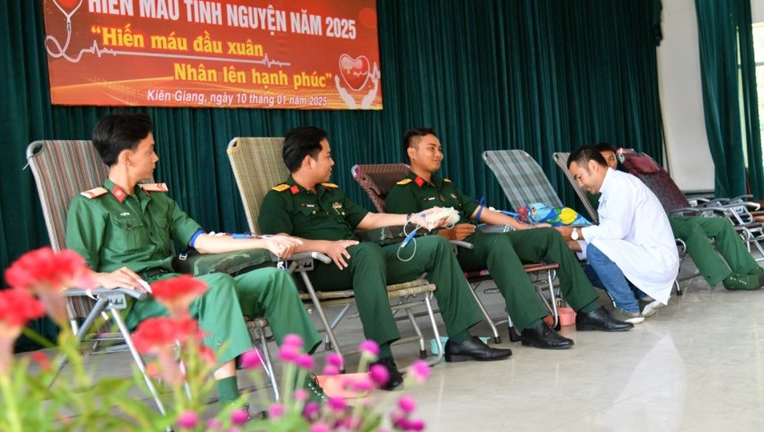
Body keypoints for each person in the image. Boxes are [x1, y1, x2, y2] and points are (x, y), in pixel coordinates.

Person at [66, 112, 324, 405]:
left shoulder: (158, 199)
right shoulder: (89, 206)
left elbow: (201, 241)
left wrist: (266, 242)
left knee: (274, 279)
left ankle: (305, 387)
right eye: (150, 150)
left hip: (178, 289)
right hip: (137, 300)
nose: (156, 158)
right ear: (127, 157)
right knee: (215, 285)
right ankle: (231, 406)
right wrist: (103, 278)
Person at [258, 126, 512, 391]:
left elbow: (369, 219)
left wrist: (414, 218)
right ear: (308, 160)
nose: (333, 161)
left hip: (363, 261)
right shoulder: (278, 199)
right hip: (320, 268)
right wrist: (324, 245)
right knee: (367, 252)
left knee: (435, 245)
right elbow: (279, 243)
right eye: (328, 155)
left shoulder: (331, 192)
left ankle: (460, 340)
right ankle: (380, 358)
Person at [385, 128, 633, 351]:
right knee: (499, 244)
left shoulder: (447, 186)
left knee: (548, 235)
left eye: (440, 149)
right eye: (431, 149)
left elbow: (481, 213)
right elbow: (409, 239)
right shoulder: (403, 192)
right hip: (454, 252)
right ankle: (532, 326)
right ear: (412, 153)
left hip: (480, 241)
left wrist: (522, 226)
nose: (439, 154)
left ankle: (589, 310)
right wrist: (446, 234)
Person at [595, 142, 764, 291]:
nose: (610, 163)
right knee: (692, 229)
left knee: (721, 224)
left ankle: (751, 270)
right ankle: (728, 279)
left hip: (670, 216)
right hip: (653, 225)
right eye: (605, 160)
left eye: (612, 158)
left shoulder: (628, 179)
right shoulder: (603, 188)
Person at [556, 146, 679, 324]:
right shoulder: (611, 190)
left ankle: (629, 308)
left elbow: (615, 231)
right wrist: (566, 242)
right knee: (587, 272)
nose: (580, 185)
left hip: (656, 260)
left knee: (596, 252)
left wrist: (574, 233)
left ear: (592, 166)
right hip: (642, 256)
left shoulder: (620, 186)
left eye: (579, 177)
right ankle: (643, 295)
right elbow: (607, 240)